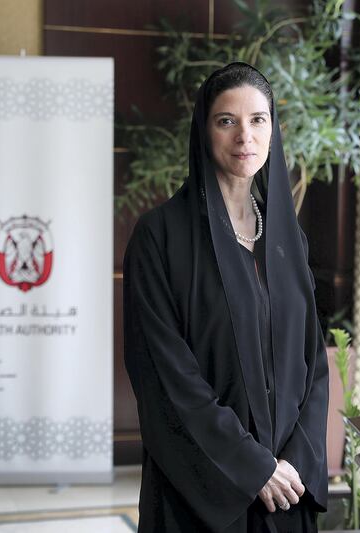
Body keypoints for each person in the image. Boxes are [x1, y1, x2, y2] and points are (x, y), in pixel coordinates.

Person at [122, 62, 329, 532]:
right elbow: (165, 378)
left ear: (273, 130)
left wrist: (293, 463)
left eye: (258, 119)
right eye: (226, 120)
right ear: (204, 130)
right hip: (203, 496)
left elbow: (312, 363)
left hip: (286, 490)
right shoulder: (160, 237)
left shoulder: (287, 238)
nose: (245, 136)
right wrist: (252, 469)